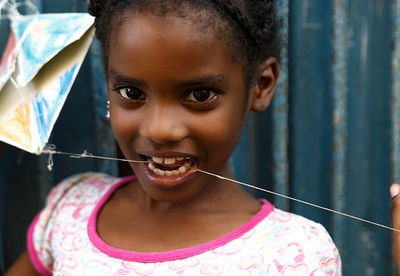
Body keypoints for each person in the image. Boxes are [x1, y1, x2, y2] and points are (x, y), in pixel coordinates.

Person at [5, 0, 341, 274]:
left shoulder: (294, 254)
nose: (159, 130)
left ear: (261, 86)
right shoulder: (72, 209)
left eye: (199, 95)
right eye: (130, 91)